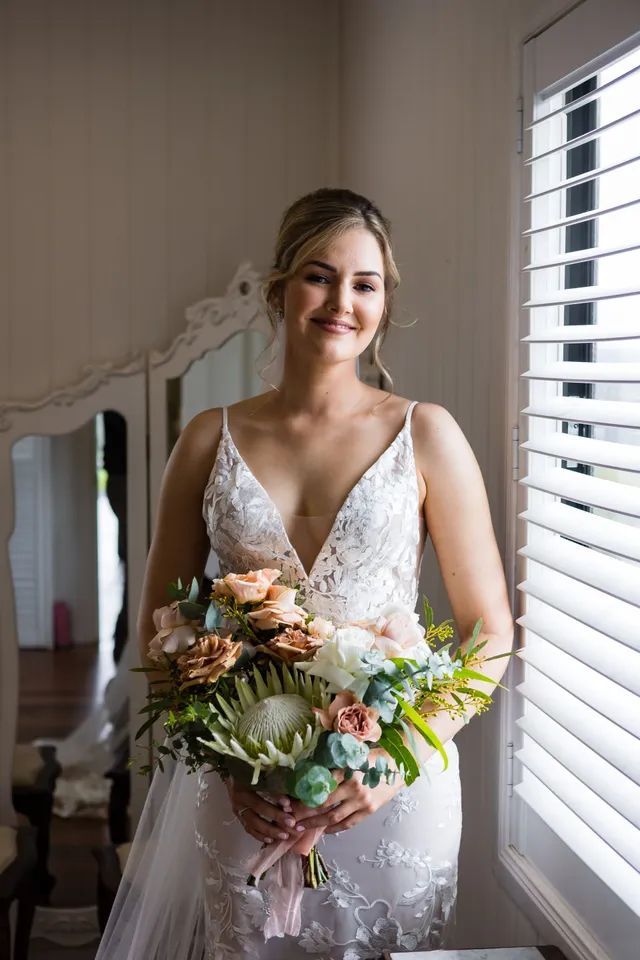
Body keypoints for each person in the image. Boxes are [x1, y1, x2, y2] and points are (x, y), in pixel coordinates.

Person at [97, 187, 514, 959]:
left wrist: (395, 764)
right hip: (246, 794)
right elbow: (162, 638)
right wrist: (231, 769)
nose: (342, 302)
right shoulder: (206, 439)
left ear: (386, 302)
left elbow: (489, 636)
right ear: (279, 289)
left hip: (390, 793)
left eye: (366, 284)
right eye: (321, 276)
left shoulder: (427, 435)